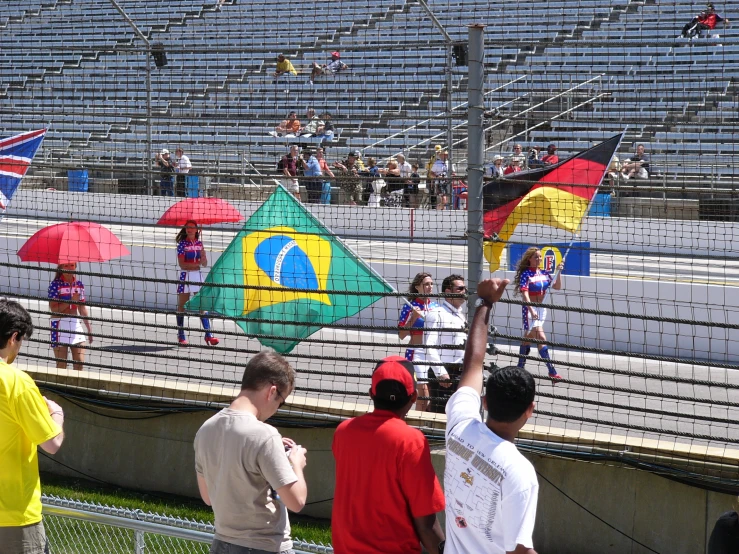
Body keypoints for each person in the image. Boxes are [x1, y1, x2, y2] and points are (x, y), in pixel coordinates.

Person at [444, 278, 540, 554]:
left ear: (484, 401)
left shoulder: (461, 424)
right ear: (529, 411)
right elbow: (520, 551)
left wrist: (485, 303)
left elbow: (473, 363)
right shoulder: (519, 473)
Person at [194, 352, 307, 554]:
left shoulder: (205, 429)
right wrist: (296, 463)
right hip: (265, 547)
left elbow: (208, 497)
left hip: (221, 545)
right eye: (281, 402)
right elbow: (296, 501)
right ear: (272, 391)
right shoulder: (265, 436)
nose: (277, 409)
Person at [332, 356, 445, 554]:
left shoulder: (343, 431)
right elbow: (426, 524)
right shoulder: (411, 440)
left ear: (371, 394)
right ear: (414, 397)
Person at [0, 299, 65, 554]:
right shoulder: (17, 382)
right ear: (14, 337)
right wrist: (56, 414)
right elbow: (52, 443)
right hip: (15, 518)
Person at [515, 247, 564, 379]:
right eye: (536, 257)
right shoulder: (526, 274)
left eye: (540, 257)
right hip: (530, 310)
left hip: (542, 310)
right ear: (529, 259)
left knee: (528, 339)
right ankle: (552, 371)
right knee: (541, 337)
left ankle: (519, 367)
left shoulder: (545, 273)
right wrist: (531, 309)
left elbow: (557, 287)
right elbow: (524, 293)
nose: (539, 259)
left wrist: (559, 272)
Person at [423, 274, 467, 413]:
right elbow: (429, 345)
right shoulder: (437, 314)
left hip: (460, 373)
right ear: (448, 292)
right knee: (441, 415)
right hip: (445, 374)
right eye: (460, 288)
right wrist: (440, 372)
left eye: (465, 288)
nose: (464, 292)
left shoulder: (461, 315)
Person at [175, 220, 219, 346]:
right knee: (182, 306)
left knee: (202, 304)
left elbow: (204, 264)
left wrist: (204, 258)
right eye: (187, 227)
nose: (189, 229)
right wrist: (197, 264)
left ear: (196, 230)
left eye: (192, 227)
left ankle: (208, 335)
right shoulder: (182, 244)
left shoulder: (200, 244)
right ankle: (181, 335)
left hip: (197, 276)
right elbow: (182, 264)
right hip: (185, 276)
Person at [398, 273, 438, 411]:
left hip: (433, 354)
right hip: (416, 353)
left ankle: (422, 422)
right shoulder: (410, 306)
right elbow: (401, 335)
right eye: (426, 284)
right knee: (423, 391)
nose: (430, 287)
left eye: (431, 284)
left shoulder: (435, 306)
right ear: (417, 287)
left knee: (431, 394)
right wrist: (413, 318)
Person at [48, 263, 93, 371]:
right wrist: (71, 301)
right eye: (66, 266)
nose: (69, 268)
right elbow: (54, 309)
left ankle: (75, 388)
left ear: (75, 267)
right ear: (61, 268)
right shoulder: (55, 285)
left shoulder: (79, 285)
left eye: (72, 265)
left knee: (79, 363)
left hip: (75, 325)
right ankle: (60, 387)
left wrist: (89, 329)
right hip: (58, 324)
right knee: (62, 364)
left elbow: (82, 309)